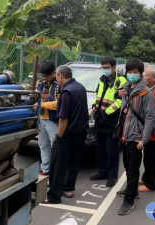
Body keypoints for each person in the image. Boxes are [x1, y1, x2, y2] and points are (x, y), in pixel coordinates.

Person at [115, 58, 155, 215]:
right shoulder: (125, 89)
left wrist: (143, 139)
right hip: (124, 136)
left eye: (135, 72)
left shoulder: (147, 93)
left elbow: (150, 117)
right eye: (130, 71)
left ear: (141, 74)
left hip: (135, 138)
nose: (132, 74)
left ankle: (129, 200)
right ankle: (131, 191)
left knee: (132, 171)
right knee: (127, 166)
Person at [44, 65, 89, 204]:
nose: (56, 79)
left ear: (61, 76)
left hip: (67, 134)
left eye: (57, 76)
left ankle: (54, 197)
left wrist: (59, 136)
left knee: (58, 164)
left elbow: (63, 118)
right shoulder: (80, 87)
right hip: (80, 132)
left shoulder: (66, 92)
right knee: (73, 162)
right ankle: (68, 188)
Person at [90, 56, 127, 187]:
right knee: (99, 148)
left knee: (111, 149)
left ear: (114, 67)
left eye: (107, 68)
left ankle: (112, 175)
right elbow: (97, 95)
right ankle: (102, 171)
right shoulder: (102, 79)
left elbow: (120, 101)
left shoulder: (121, 80)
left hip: (112, 120)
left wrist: (107, 112)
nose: (105, 70)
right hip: (100, 118)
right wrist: (94, 107)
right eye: (103, 68)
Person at [35, 60, 60, 176]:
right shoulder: (40, 83)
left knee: (55, 147)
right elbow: (37, 96)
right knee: (43, 145)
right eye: (42, 76)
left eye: (46, 76)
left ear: (53, 73)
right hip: (42, 119)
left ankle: (55, 171)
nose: (44, 78)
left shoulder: (59, 85)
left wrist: (43, 105)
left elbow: (58, 104)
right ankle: (45, 168)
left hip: (53, 120)